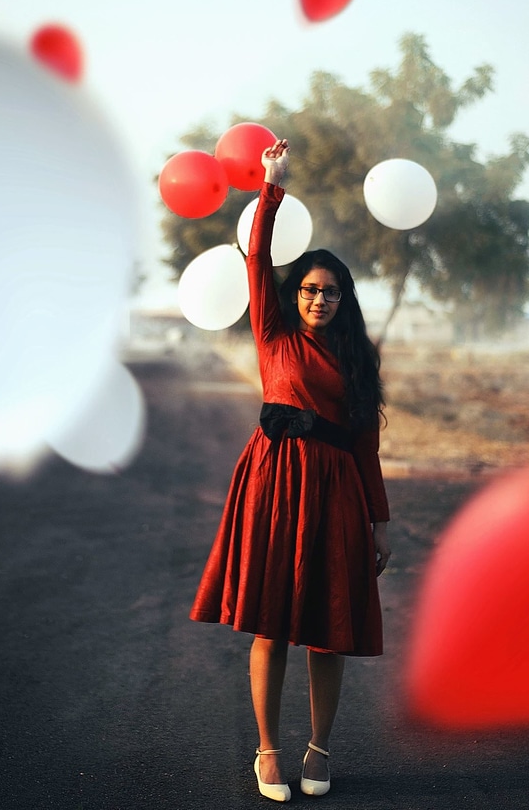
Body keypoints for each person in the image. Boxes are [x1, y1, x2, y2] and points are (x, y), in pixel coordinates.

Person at [189, 139, 391, 801]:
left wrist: (379, 519)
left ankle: (320, 748)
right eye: (308, 289)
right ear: (293, 293)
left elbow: (364, 447)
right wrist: (270, 189)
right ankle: (268, 751)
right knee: (272, 625)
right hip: (272, 485)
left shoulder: (358, 362)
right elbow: (255, 260)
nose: (318, 299)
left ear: (343, 299)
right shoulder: (274, 334)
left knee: (327, 630)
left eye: (330, 292)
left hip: (333, 491)